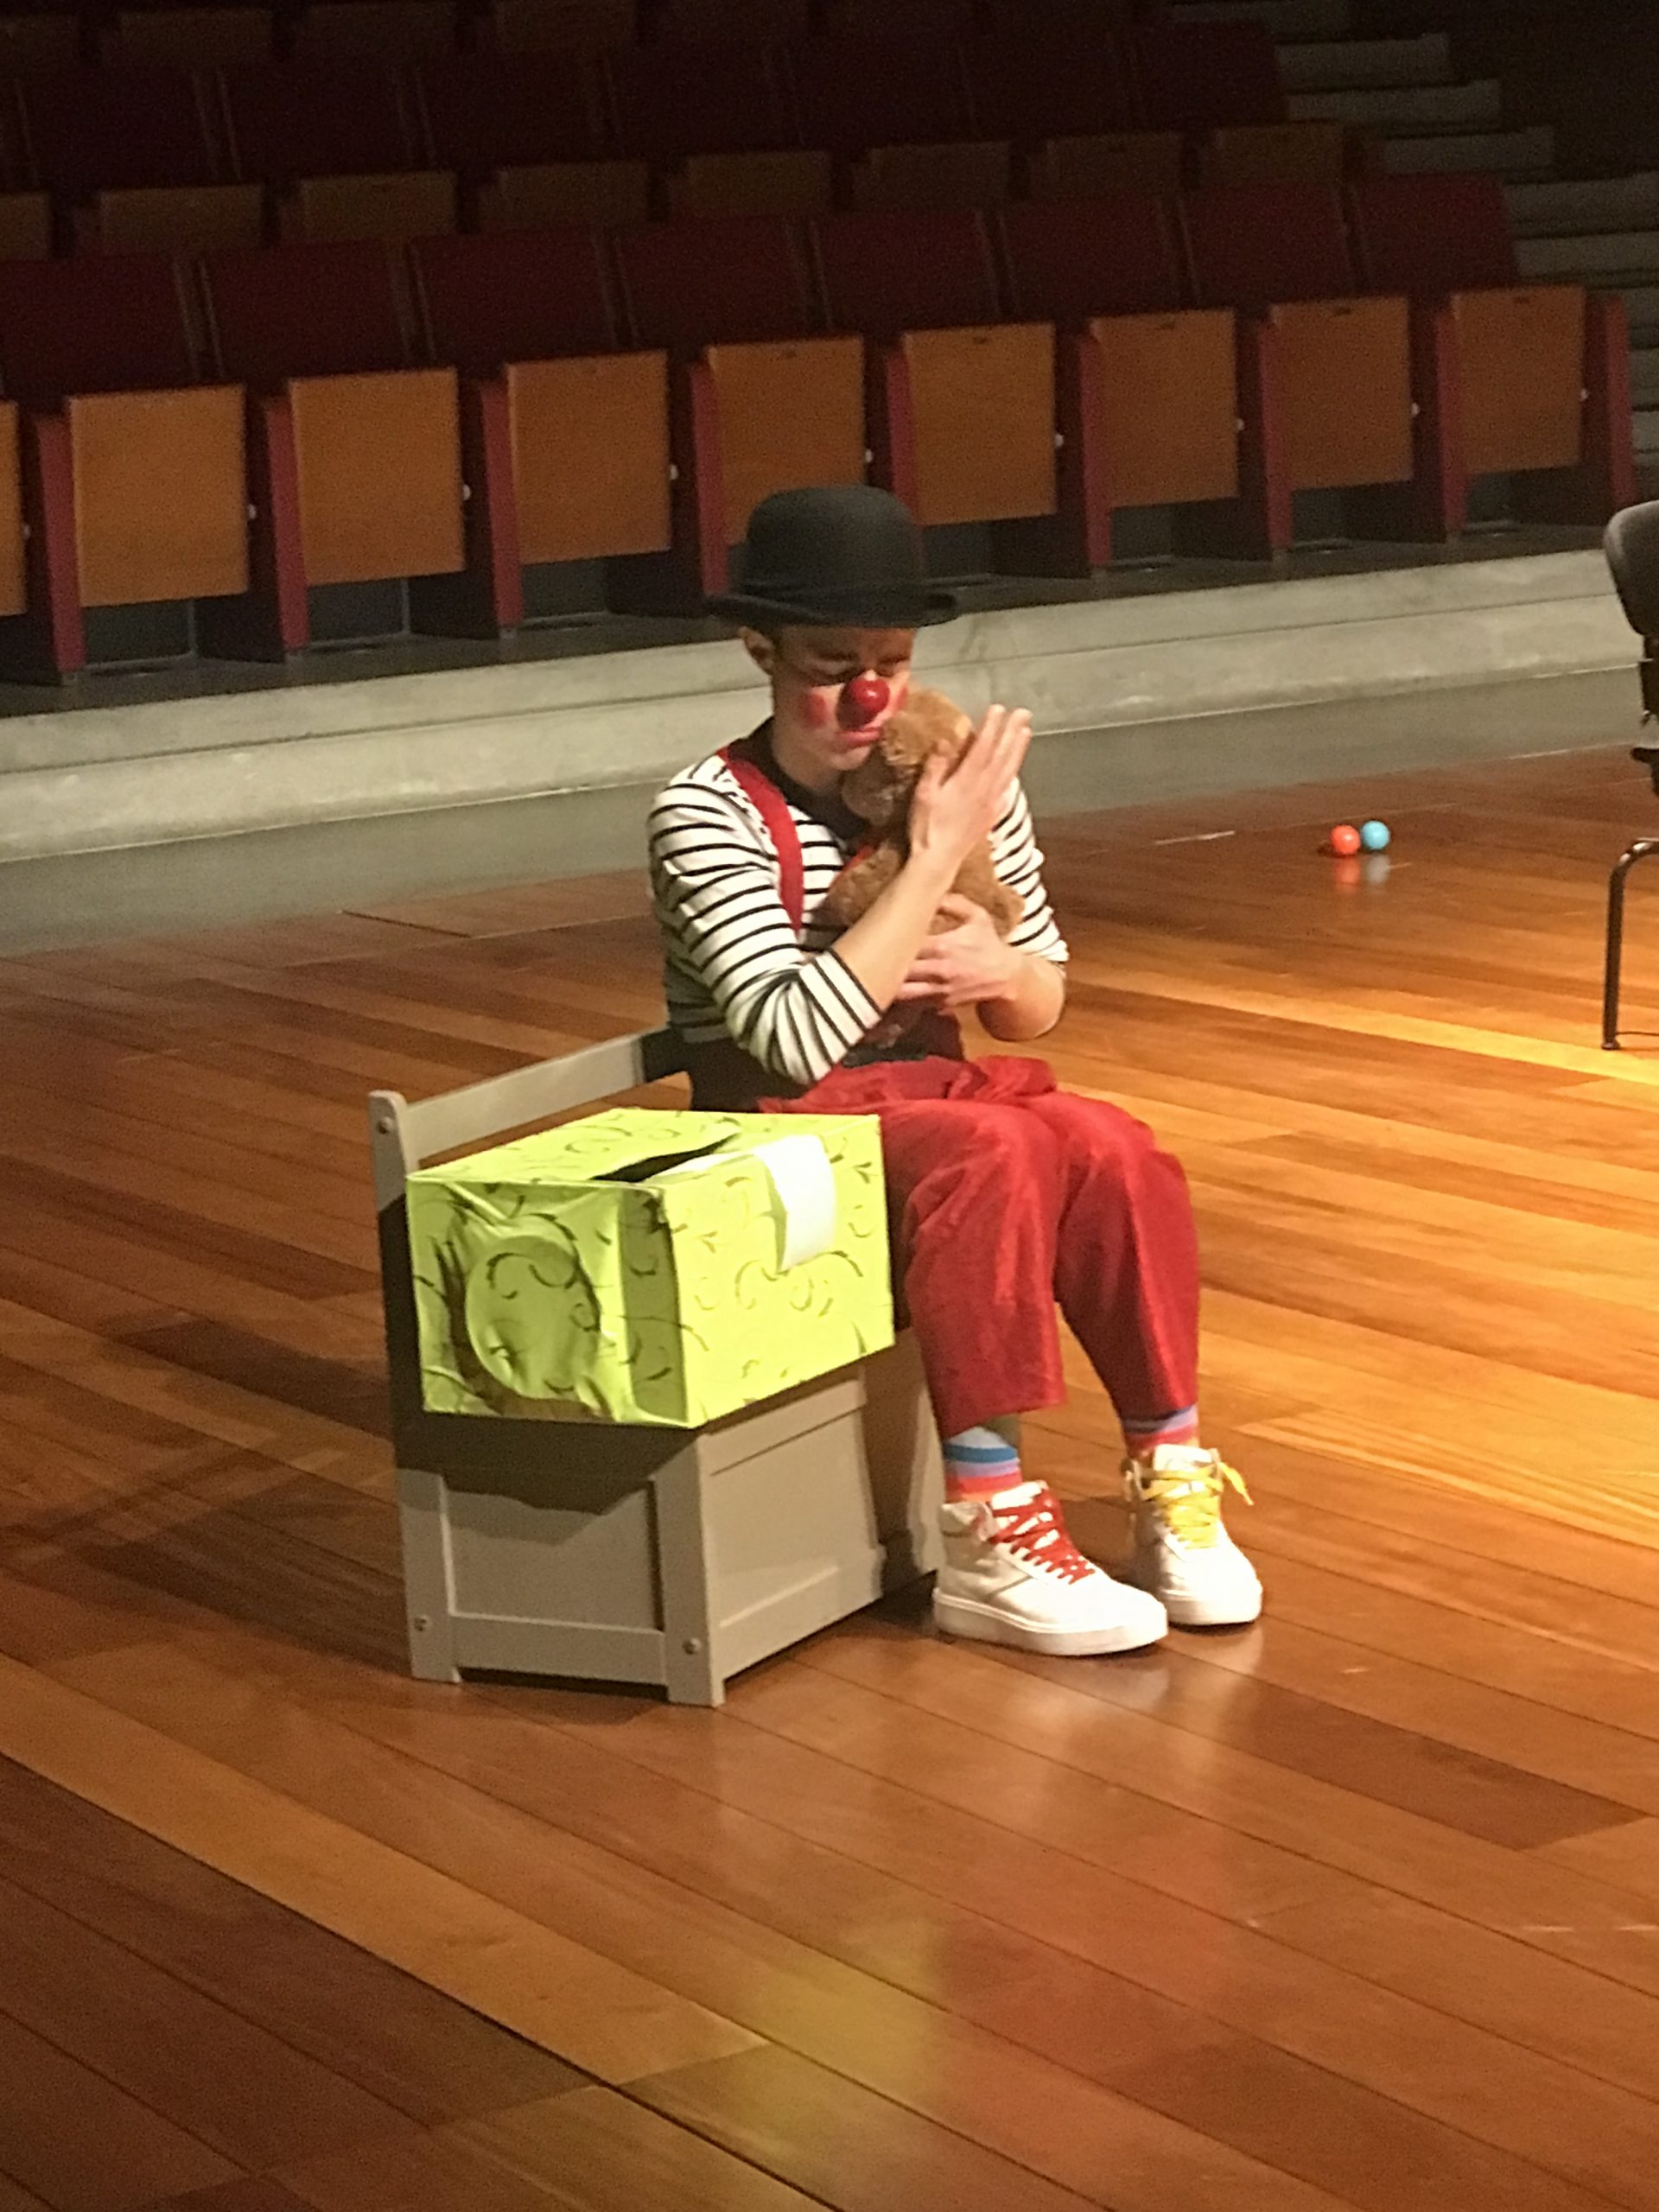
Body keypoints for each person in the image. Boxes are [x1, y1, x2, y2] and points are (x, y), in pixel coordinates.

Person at [649, 486, 1261, 1655]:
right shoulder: (704, 811)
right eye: (833, 666)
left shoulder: (970, 783)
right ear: (760, 651)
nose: (870, 697)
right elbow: (788, 1039)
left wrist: (1001, 967)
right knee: (995, 1148)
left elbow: (1041, 1004)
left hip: (932, 1094)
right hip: (775, 1127)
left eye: (891, 662)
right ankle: (988, 1525)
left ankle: (1170, 1469)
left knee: (1113, 1145)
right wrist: (932, 857)